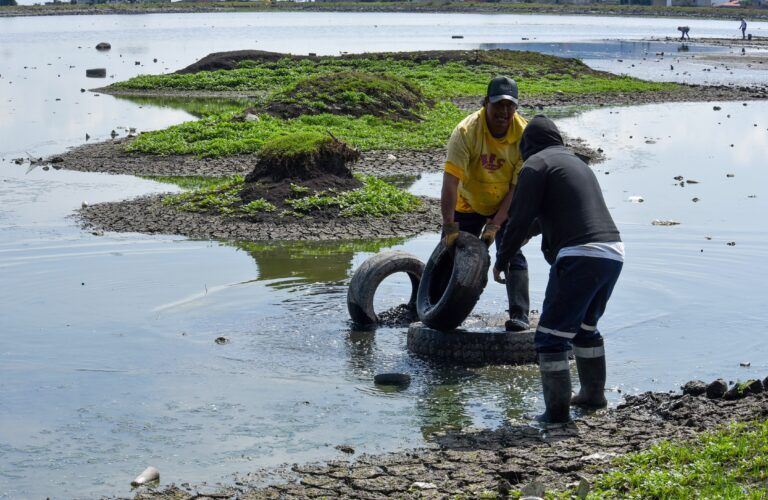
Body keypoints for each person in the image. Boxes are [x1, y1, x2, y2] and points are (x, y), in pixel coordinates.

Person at [493, 116, 624, 427]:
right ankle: (593, 396)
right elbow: (558, 214)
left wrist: (503, 257)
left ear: (526, 146)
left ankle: (556, 415)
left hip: (579, 255)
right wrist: (530, 233)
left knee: (550, 339)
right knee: (584, 328)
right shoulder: (576, 163)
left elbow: (520, 218)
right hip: (613, 252)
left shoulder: (534, 165)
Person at [440, 75, 530, 331]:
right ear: (486, 104)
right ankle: (431, 305)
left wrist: (497, 223)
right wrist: (449, 225)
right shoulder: (466, 132)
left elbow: (517, 187)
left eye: (509, 105)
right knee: (450, 253)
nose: (504, 111)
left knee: (512, 253)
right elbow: (450, 182)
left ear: (516, 106)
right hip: (468, 200)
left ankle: (519, 315)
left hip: (505, 200)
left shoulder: (524, 134)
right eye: (498, 104)